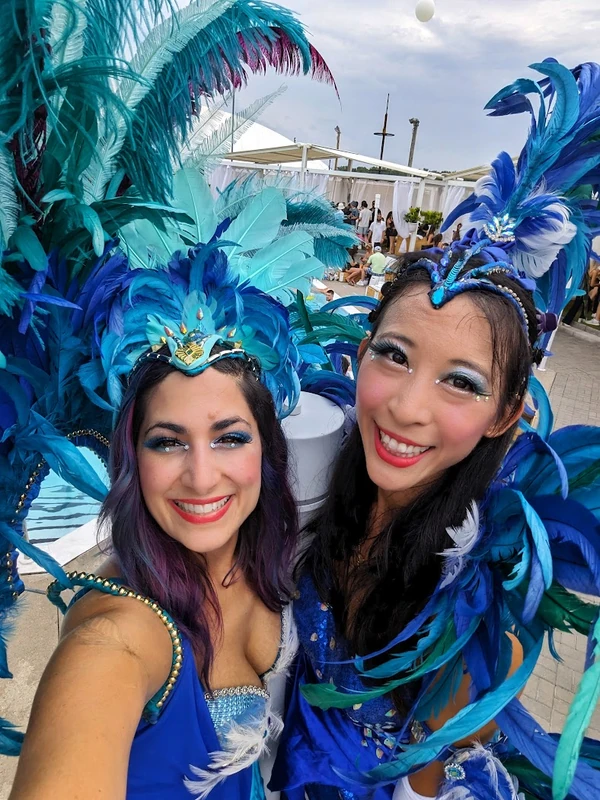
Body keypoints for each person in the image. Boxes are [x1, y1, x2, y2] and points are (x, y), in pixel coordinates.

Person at [272, 59, 600, 799]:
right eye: (394, 355)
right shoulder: (307, 465)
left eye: (461, 382)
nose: (406, 408)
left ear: (506, 416)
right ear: (359, 354)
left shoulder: (480, 607)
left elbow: (421, 781)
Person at [9, 232, 308, 797]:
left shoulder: (279, 559)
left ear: (266, 449)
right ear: (132, 461)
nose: (201, 476)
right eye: (168, 442)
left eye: (229, 438)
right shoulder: (114, 638)